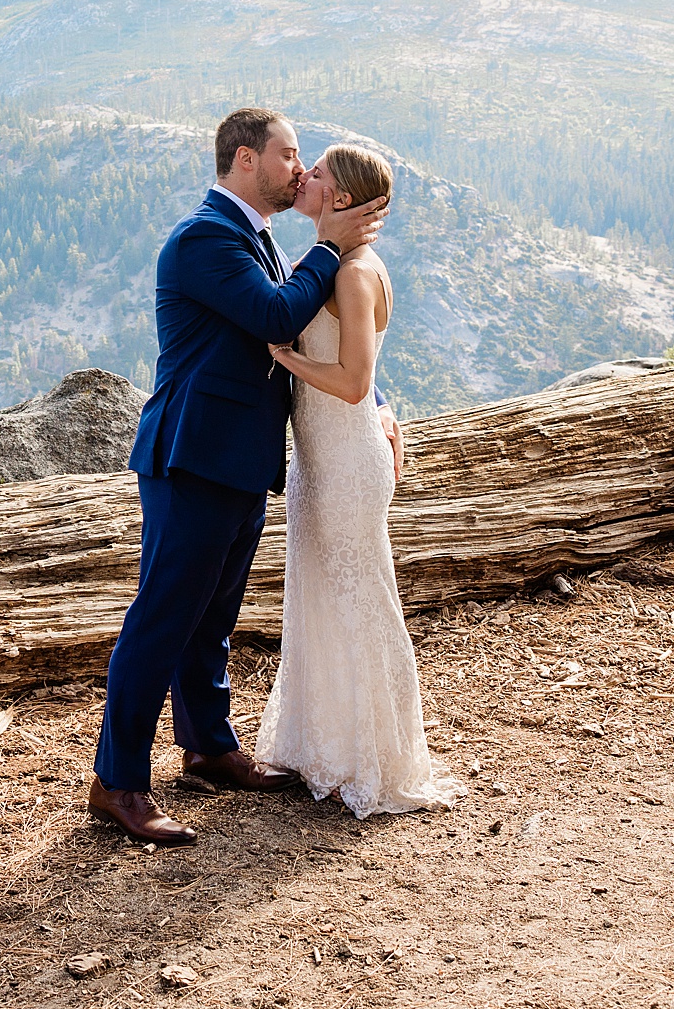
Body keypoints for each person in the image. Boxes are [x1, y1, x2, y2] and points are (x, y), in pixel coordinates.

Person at [87, 108, 389, 845]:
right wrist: (334, 244)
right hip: (191, 456)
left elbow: (323, 337)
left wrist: (376, 402)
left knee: (210, 621)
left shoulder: (257, 239)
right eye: (290, 155)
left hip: (240, 459)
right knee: (162, 619)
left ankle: (208, 749)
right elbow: (275, 314)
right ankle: (116, 782)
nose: (300, 168)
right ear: (246, 159)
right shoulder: (206, 237)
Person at [257, 144, 466, 815]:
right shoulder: (336, 263)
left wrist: (285, 356)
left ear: (340, 198)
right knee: (321, 597)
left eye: (315, 172)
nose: (303, 177)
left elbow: (353, 382)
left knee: (361, 599)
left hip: (345, 463)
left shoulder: (353, 271)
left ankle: (377, 755)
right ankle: (327, 744)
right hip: (321, 459)